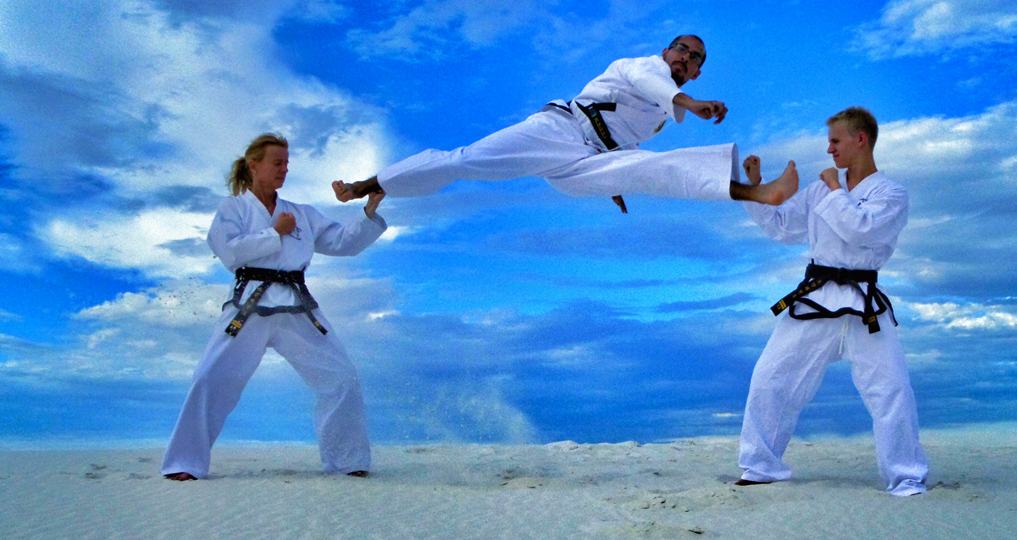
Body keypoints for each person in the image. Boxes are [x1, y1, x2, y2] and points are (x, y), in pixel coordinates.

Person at [332, 35, 797, 211]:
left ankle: (754, 192)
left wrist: (616, 179)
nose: (686, 58)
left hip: (585, 167)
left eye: (695, 59)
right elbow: (654, 83)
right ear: (667, 53)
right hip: (558, 131)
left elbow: (626, 144)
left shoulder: (661, 119)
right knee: (466, 161)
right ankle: (368, 183)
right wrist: (691, 102)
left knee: (654, 168)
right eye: (682, 50)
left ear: (697, 70)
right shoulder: (639, 67)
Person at [161, 133, 387, 481]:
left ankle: (347, 461)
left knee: (341, 377)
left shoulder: (300, 214)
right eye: (276, 162)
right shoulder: (233, 209)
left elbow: (343, 243)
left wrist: (368, 211)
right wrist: (274, 234)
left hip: (296, 306)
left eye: (286, 163)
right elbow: (229, 253)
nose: (284, 169)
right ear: (254, 165)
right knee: (210, 377)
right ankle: (183, 462)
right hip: (249, 303)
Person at [733, 107, 928, 496]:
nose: (829, 150)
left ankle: (906, 476)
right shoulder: (822, 188)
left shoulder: (891, 193)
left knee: (891, 390)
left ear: (861, 140)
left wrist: (836, 189)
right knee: (771, 378)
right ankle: (760, 466)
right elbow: (782, 227)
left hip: (864, 303)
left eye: (835, 141)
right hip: (816, 297)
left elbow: (860, 231)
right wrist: (755, 189)